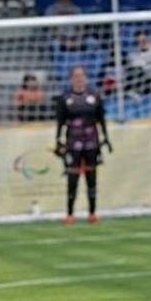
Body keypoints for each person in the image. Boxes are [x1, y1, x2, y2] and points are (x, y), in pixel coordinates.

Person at [56, 65, 111, 225]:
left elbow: (101, 119)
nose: (79, 79)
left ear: (86, 78)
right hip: (73, 142)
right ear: (71, 78)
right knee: (72, 178)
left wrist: (106, 138)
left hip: (92, 142)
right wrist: (58, 141)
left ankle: (92, 213)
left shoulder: (94, 95)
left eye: (81, 76)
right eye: (76, 76)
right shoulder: (65, 98)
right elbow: (60, 122)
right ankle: (70, 214)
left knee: (91, 178)